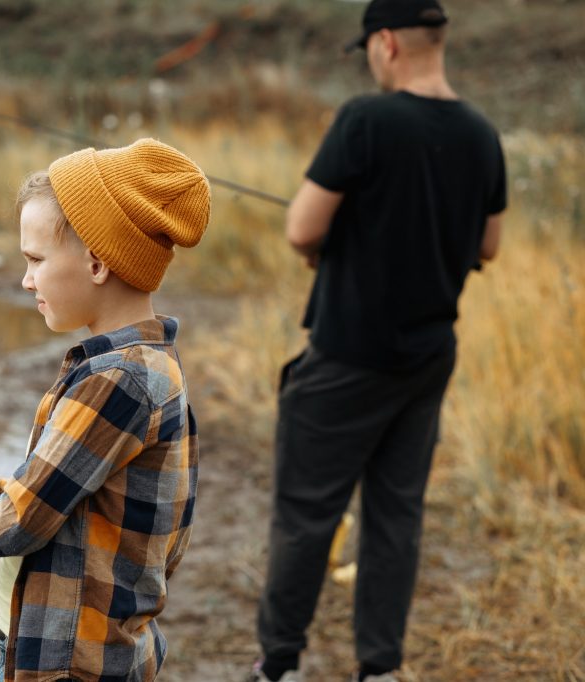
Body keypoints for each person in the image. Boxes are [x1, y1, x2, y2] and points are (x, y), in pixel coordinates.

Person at [249, 1, 507, 681]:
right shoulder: (482, 134)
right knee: (396, 516)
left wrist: (337, 243)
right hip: (427, 358)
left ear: (386, 42)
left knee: (306, 514)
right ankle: (380, 669)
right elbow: (489, 244)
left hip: (346, 356)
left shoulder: (366, 118)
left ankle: (278, 665)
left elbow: (302, 229)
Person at [0, 138, 211, 682]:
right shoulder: (142, 368)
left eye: (36, 260)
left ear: (96, 261)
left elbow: (20, 522)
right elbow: (81, 499)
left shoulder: (118, 381)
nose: (26, 279)